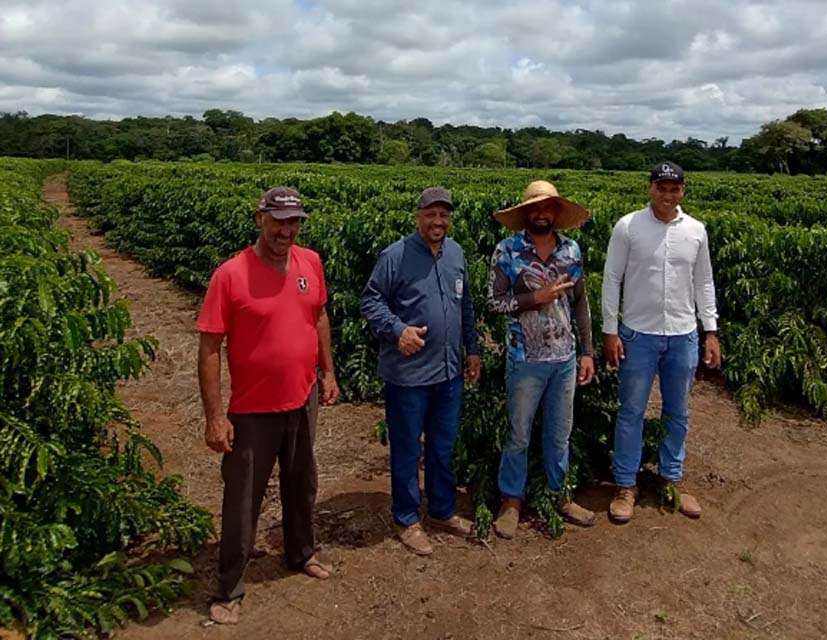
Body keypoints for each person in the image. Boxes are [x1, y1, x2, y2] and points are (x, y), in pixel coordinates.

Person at [196, 186, 340, 625]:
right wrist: (215, 416)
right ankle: (229, 586)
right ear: (260, 218)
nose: (286, 229)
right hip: (253, 409)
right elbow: (209, 347)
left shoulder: (310, 262)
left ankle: (300, 552)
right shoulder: (231, 274)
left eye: (294, 221)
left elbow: (317, 316)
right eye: (278, 220)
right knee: (243, 498)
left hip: (302, 397)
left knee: (302, 483)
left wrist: (328, 372)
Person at [360, 186, 480, 556]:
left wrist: (472, 350)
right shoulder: (395, 256)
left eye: (444, 215)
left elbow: (466, 306)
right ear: (418, 216)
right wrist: (398, 331)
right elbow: (370, 299)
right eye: (431, 214)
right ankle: (406, 517)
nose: (437, 222)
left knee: (443, 447)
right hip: (408, 376)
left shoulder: (456, 253)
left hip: (448, 374)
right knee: (408, 448)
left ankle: (442, 510)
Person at [601, 162, 721, 522]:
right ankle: (626, 485)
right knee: (631, 412)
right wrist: (610, 330)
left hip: (683, 335)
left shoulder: (696, 231)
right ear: (650, 188)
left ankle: (672, 479)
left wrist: (710, 331)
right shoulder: (628, 226)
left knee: (678, 412)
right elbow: (612, 278)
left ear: (683, 191)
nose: (668, 195)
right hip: (638, 333)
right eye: (661, 187)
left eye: (675, 188)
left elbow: (704, 283)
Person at [487, 180, 597, 539]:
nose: (541, 214)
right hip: (525, 359)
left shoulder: (572, 251)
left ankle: (559, 495)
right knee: (518, 434)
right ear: (525, 214)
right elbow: (495, 302)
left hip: (564, 359)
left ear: (555, 213)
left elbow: (579, 303)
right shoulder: (507, 251)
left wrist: (587, 351)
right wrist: (537, 296)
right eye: (534, 208)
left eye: (547, 208)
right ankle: (511, 500)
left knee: (559, 434)